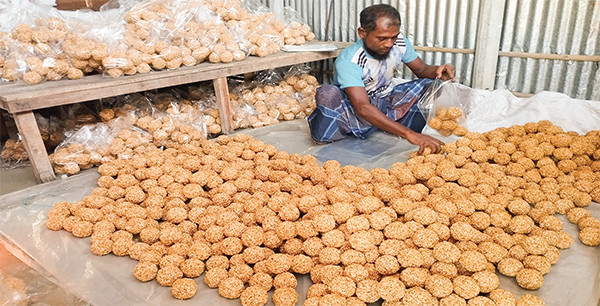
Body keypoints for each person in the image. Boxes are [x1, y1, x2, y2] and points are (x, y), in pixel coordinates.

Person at [307, 4, 455, 154]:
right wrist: (409, 134)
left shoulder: (400, 43)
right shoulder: (350, 60)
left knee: (431, 85)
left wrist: (437, 70)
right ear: (362, 32)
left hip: (387, 100)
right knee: (327, 93)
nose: (389, 44)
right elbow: (362, 107)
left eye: (393, 37)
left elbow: (422, 70)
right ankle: (392, 126)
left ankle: (386, 124)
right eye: (382, 38)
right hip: (354, 109)